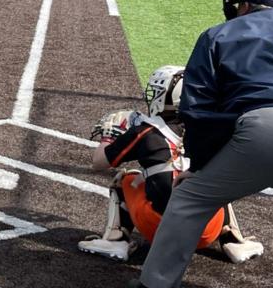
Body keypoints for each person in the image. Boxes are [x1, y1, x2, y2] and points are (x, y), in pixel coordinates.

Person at [129, 0, 273, 288]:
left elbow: (198, 108)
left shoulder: (218, 34)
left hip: (262, 131)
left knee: (190, 198)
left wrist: (201, 166)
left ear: (245, 6)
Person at [79, 66, 262, 265]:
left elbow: (99, 162)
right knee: (214, 178)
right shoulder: (209, 129)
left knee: (125, 179)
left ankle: (116, 240)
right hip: (208, 230)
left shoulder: (145, 132)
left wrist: (109, 136)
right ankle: (233, 240)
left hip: (159, 229)